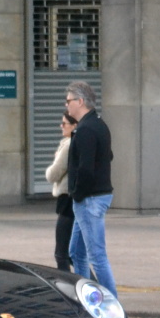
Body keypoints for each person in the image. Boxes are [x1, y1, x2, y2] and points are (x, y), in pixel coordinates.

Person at [64, 80, 117, 296]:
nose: (66, 105)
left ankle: (113, 304)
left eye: (69, 101)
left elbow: (86, 168)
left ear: (81, 101)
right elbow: (108, 156)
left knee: (96, 256)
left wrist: (77, 193)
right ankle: (86, 298)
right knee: (76, 252)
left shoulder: (86, 129)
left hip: (90, 199)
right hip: (93, 197)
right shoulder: (99, 124)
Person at [44, 112, 78, 271]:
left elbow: (54, 174)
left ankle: (70, 288)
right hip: (72, 198)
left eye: (64, 123)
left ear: (74, 126)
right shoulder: (75, 142)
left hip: (67, 199)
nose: (61, 126)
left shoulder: (69, 144)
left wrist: (50, 168)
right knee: (73, 253)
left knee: (62, 253)